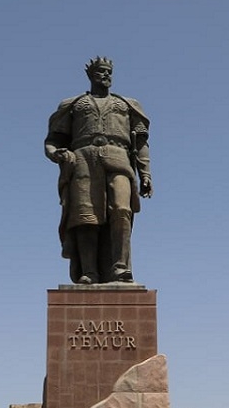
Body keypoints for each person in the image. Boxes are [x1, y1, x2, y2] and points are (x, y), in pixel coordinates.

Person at [45, 56, 152, 284]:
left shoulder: (127, 105)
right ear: (90, 75)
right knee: (86, 216)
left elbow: (141, 143)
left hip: (119, 157)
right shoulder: (73, 105)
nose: (106, 76)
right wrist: (57, 154)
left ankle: (120, 268)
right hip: (82, 159)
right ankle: (89, 271)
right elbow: (52, 140)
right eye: (101, 72)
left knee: (122, 209)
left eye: (108, 72)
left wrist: (146, 174)